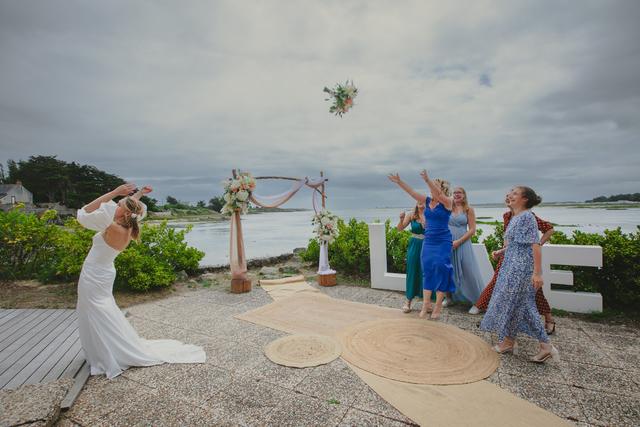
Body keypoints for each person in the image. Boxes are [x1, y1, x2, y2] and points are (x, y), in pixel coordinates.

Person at [76, 183, 205, 379]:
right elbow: (132, 207)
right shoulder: (127, 227)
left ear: (122, 212)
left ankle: (107, 352)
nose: (114, 205)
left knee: (95, 310)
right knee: (101, 309)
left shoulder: (111, 225)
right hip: (104, 272)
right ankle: (106, 348)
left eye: (118, 204)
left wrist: (115, 192)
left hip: (94, 273)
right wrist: (139, 194)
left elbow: (86, 211)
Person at [480, 186, 559, 363]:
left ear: (525, 199)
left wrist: (537, 273)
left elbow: (535, 244)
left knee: (524, 305)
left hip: (521, 269)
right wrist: (502, 251)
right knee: (512, 304)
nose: (510, 195)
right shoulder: (517, 217)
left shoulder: (527, 217)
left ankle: (546, 346)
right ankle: (508, 341)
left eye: (515, 193)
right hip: (511, 265)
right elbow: (517, 244)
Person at [388, 169, 455, 320]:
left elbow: (438, 194)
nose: (431, 188)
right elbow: (411, 192)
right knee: (427, 272)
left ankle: (437, 306)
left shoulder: (448, 202)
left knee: (441, 272)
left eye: (435, 186)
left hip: (443, 241)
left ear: (441, 189)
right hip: (429, 241)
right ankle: (425, 305)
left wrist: (427, 180)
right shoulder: (426, 201)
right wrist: (400, 182)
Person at [449, 187, 485, 304]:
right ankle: (451, 298)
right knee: (450, 270)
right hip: (448, 243)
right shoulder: (448, 208)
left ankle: (478, 301)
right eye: (454, 192)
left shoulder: (468, 209)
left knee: (469, 270)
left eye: (459, 192)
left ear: (464, 195)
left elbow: (472, 230)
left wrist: (458, 241)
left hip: (463, 242)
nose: (456, 194)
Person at [396, 203, 426, 312]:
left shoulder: (430, 214)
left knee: (426, 272)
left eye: (423, 201)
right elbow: (399, 228)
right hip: (414, 245)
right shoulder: (411, 215)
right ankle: (408, 301)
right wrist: (401, 219)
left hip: (427, 245)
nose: (420, 203)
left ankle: (426, 302)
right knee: (412, 271)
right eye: (418, 201)